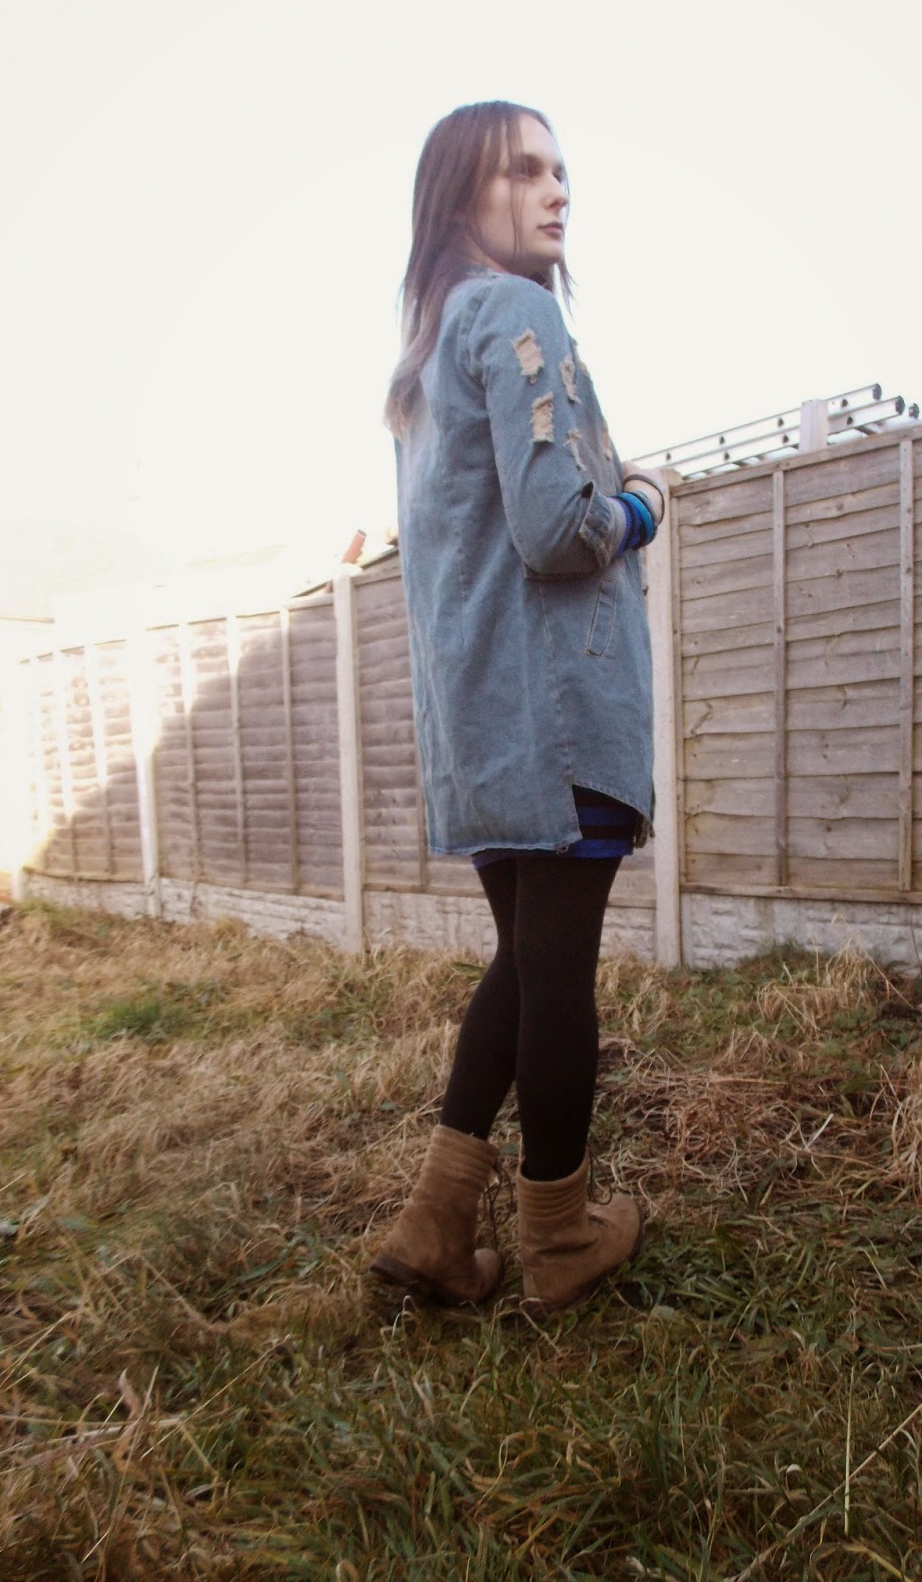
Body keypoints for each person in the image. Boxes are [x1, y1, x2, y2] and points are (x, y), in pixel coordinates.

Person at [368, 100, 666, 1314]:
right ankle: (559, 1239)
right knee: (560, 975)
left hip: (485, 728)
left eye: (560, 172)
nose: (556, 192)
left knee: (526, 963)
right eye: (524, 171)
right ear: (462, 196)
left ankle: (437, 1226)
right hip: (559, 720)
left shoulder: (428, 353)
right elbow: (556, 532)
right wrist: (641, 501)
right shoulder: (518, 314)